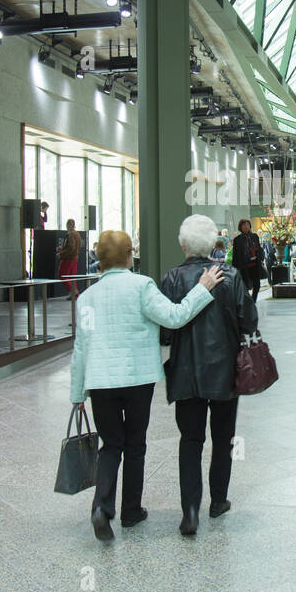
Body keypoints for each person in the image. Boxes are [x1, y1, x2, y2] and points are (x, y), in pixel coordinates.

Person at [70, 230, 223, 541]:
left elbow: (81, 347)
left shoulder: (86, 297)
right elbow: (175, 316)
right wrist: (201, 288)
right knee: (135, 444)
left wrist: (77, 394)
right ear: (129, 256)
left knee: (111, 445)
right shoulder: (142, 286)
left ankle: (102, 508)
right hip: (137, 379)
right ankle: (131, 511)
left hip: (100, 382)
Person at [160, 215, 258, 534]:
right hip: (225, 372)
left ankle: (190, 511)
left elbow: (164, 333)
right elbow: (249, 323)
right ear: (214, 243)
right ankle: (218, 501)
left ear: (184, 244)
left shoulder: (172, 279)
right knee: (222, 439)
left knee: (190, 440)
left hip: (186, 373)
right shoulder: (230, 276)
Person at [231, 219, 263, 304]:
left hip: (255, 264)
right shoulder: (237, 240)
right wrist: (234, 268)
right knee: (245, 286)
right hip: (244, 266)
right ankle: (247, 302)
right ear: (240, 227)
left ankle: (253, 301)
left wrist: (260, 257)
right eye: (244, 225)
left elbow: (259, 248)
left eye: (247, 225)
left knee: (257, 285)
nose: (246, 226)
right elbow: (235, 255)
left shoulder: (255, 236)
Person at [58, 219, 82, 298]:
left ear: (68, 225)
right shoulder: (77, 234)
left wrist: (61, 253)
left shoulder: (71, 235)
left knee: (62, 275)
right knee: (72, 277)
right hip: (75, 258)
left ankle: (73, 291)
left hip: (68, 258)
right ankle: (74, 294)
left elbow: (71, 247)